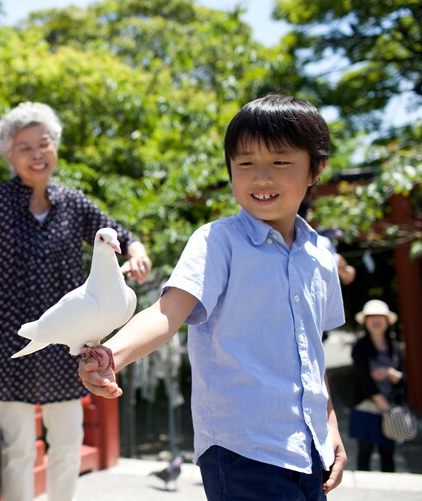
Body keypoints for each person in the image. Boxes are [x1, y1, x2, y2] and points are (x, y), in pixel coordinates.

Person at [79, 94, 348, 499]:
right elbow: (167, 312)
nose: (261, 177)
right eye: (245, 164)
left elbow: (313, 354)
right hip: (242, 449)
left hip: (309, 449)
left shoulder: (320, 257)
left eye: (279, 162)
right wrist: (110, 356)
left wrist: (330, 427)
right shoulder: (217, 242)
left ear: (316, 169)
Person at [0, 102, 151, 501]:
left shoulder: (73, 202)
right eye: (24, 147)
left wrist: (135, 250)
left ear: (55, 147)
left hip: (70, 344)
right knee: (17, 448)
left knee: (66, 444)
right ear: (9, 155)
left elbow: (117, 231)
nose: (36, 154)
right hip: (7, 341)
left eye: (43, 143)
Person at [349, 299, 406, 472]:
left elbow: (404, 378)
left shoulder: (396, 347)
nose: (375, 320)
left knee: (388, 454)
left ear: (387, 321)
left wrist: (391, 373)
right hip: (366, 407)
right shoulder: (360, 347)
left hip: (391, 408)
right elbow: (363, 379)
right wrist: (382, 404)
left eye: (380, 316)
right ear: (365, 322)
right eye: (370, 316)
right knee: (365, 452)